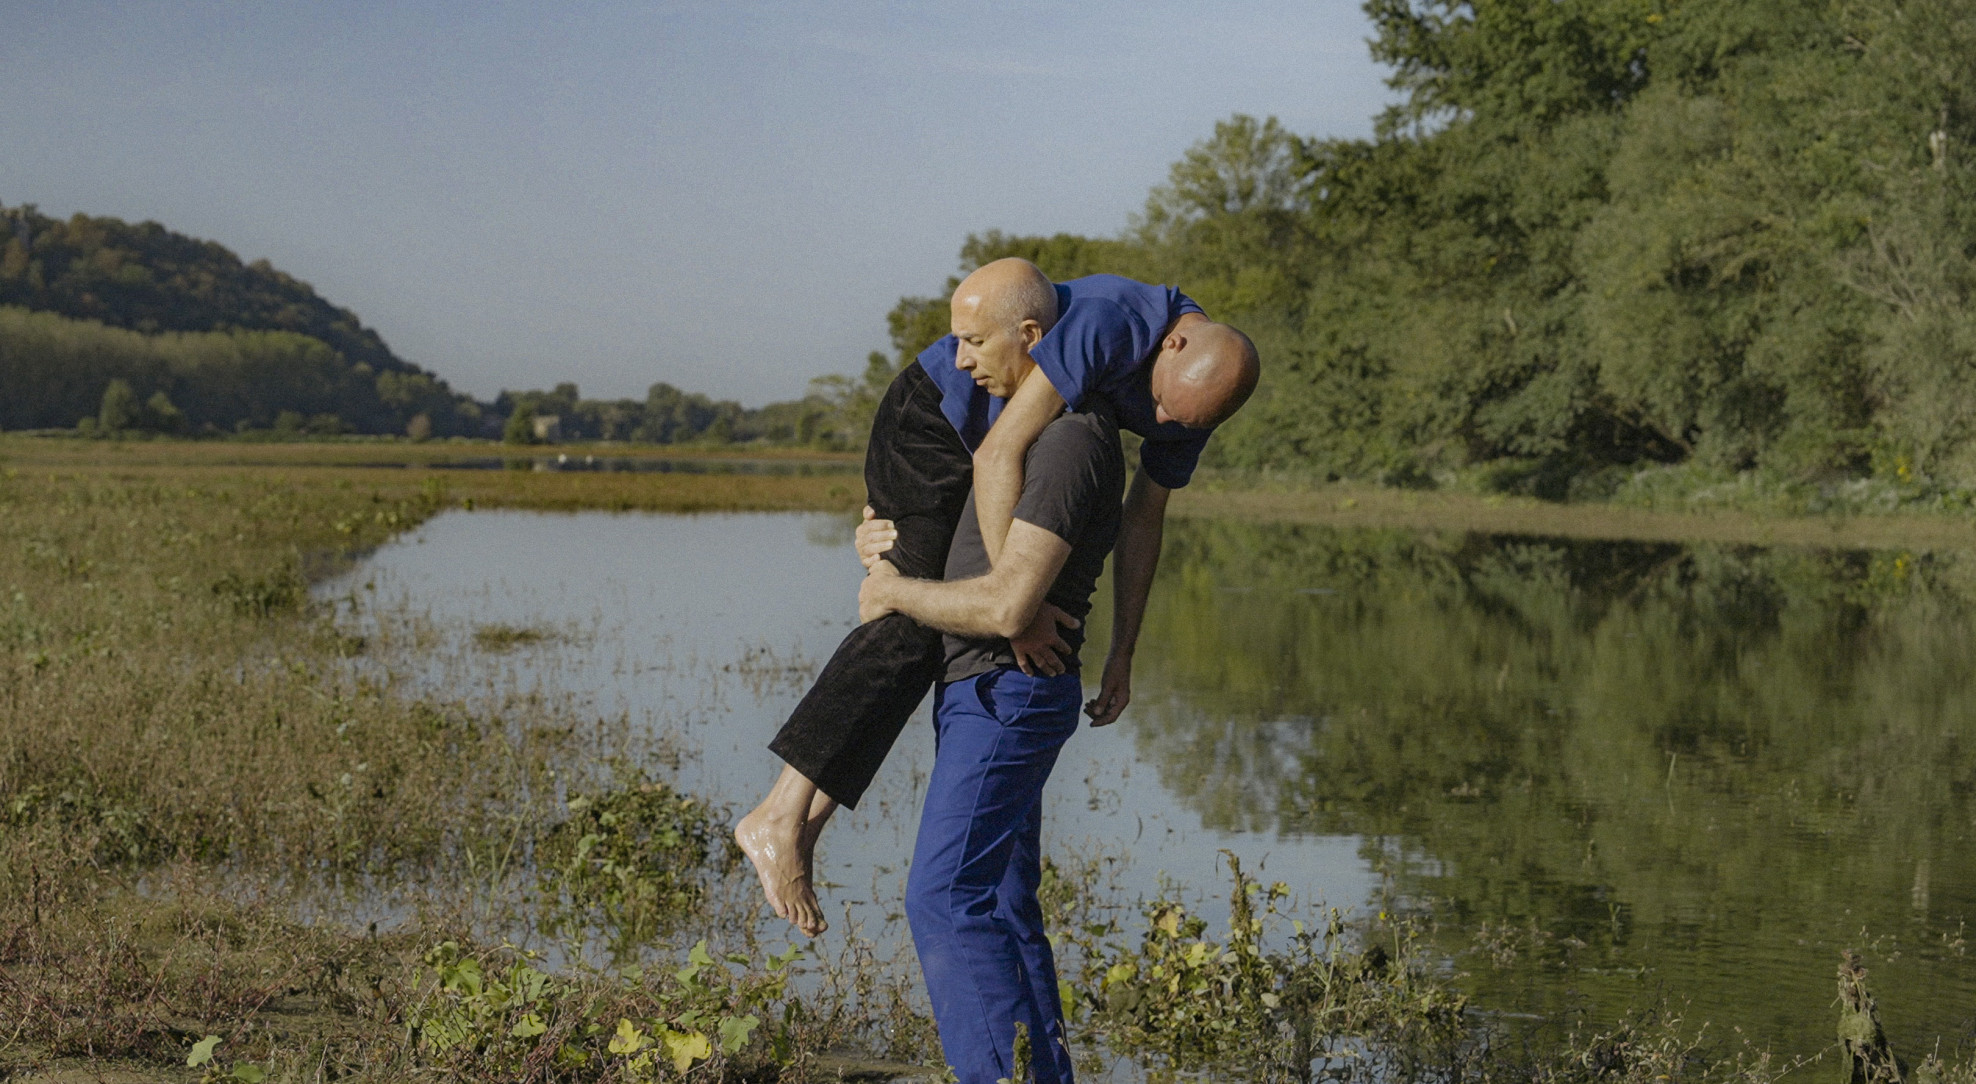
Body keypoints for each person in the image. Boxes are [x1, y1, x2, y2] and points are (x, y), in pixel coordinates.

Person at [736, 258, 1259, 935]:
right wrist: (1019, 609)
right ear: (1174, 345)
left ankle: (796, 821)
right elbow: (995, 454)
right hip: (937, 420)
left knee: (928, 605)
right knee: (912, 615)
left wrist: (1124, 652)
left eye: (1175, 423)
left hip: (987, 440)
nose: (1157, 423)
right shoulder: (1108, 325)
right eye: (1156, 406)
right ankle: (780, 815)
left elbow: (1143, 522)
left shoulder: (1197, 397)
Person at [856, 378, 1125, 1084]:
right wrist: (881, 537)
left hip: (1006, 691)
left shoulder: (1068, 442)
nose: (964, 362)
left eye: (977, 341)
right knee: (1003, 903)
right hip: (987, 687)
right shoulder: (1017, 442)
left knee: (943, 897)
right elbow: (960, 546)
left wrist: (891, 592)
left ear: (1035, 340)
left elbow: (1010, 603)